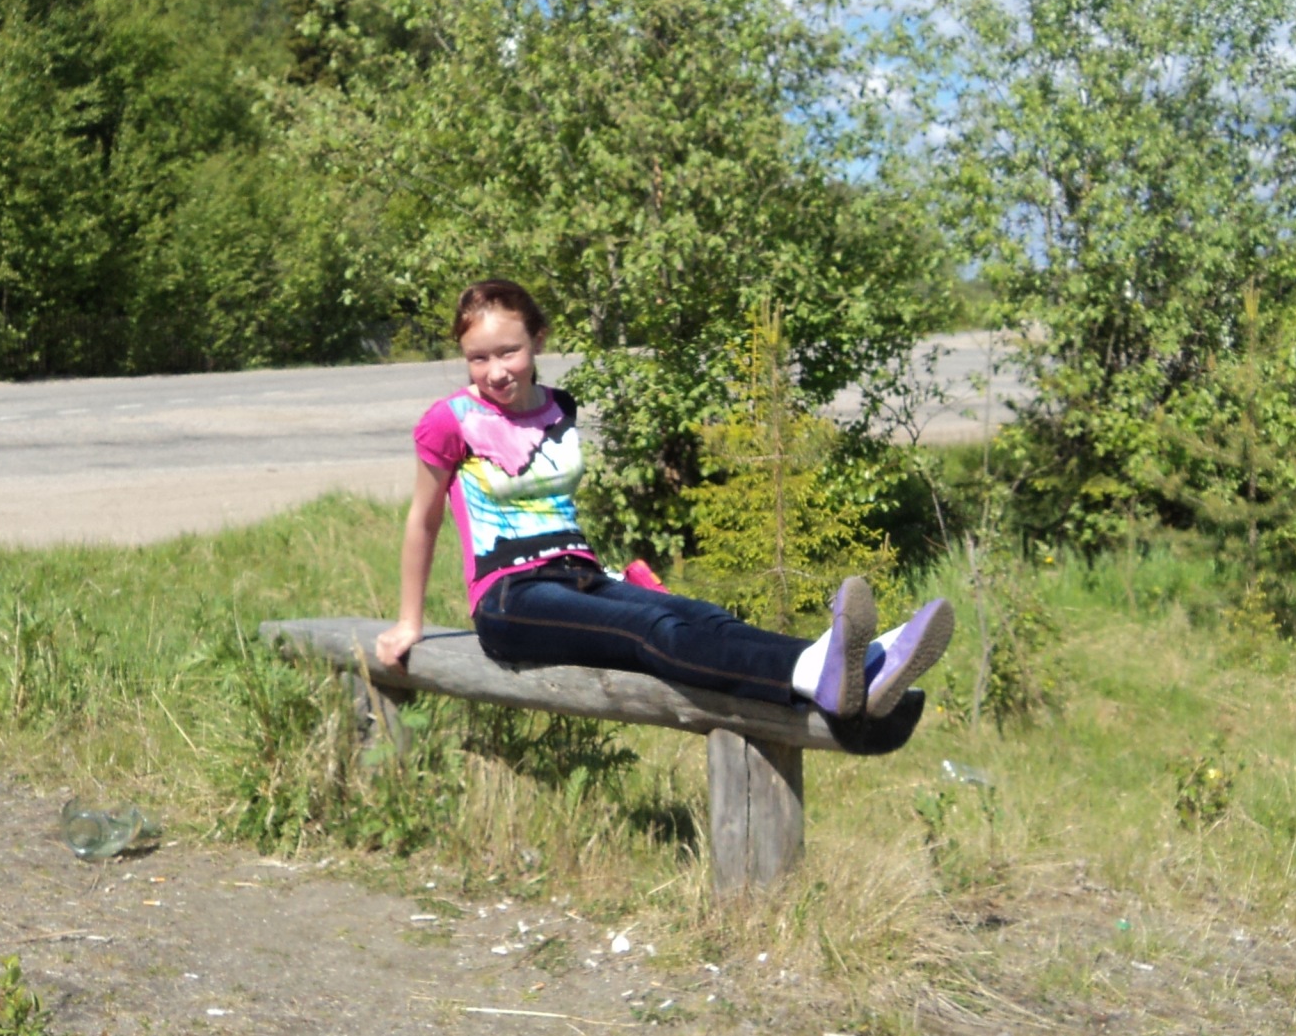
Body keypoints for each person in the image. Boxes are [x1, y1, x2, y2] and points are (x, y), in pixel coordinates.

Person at [374, 278, 953, 719]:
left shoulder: (558, 406)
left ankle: (861, 666)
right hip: (511, 598)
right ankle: (812, 669)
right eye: (478, 358)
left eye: (508, 352)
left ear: (538, 339)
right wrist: (409, 622)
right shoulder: (450, 419)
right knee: (651, 630)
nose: (496, 371)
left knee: (699, 615)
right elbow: (423, 520)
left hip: (580, 575)